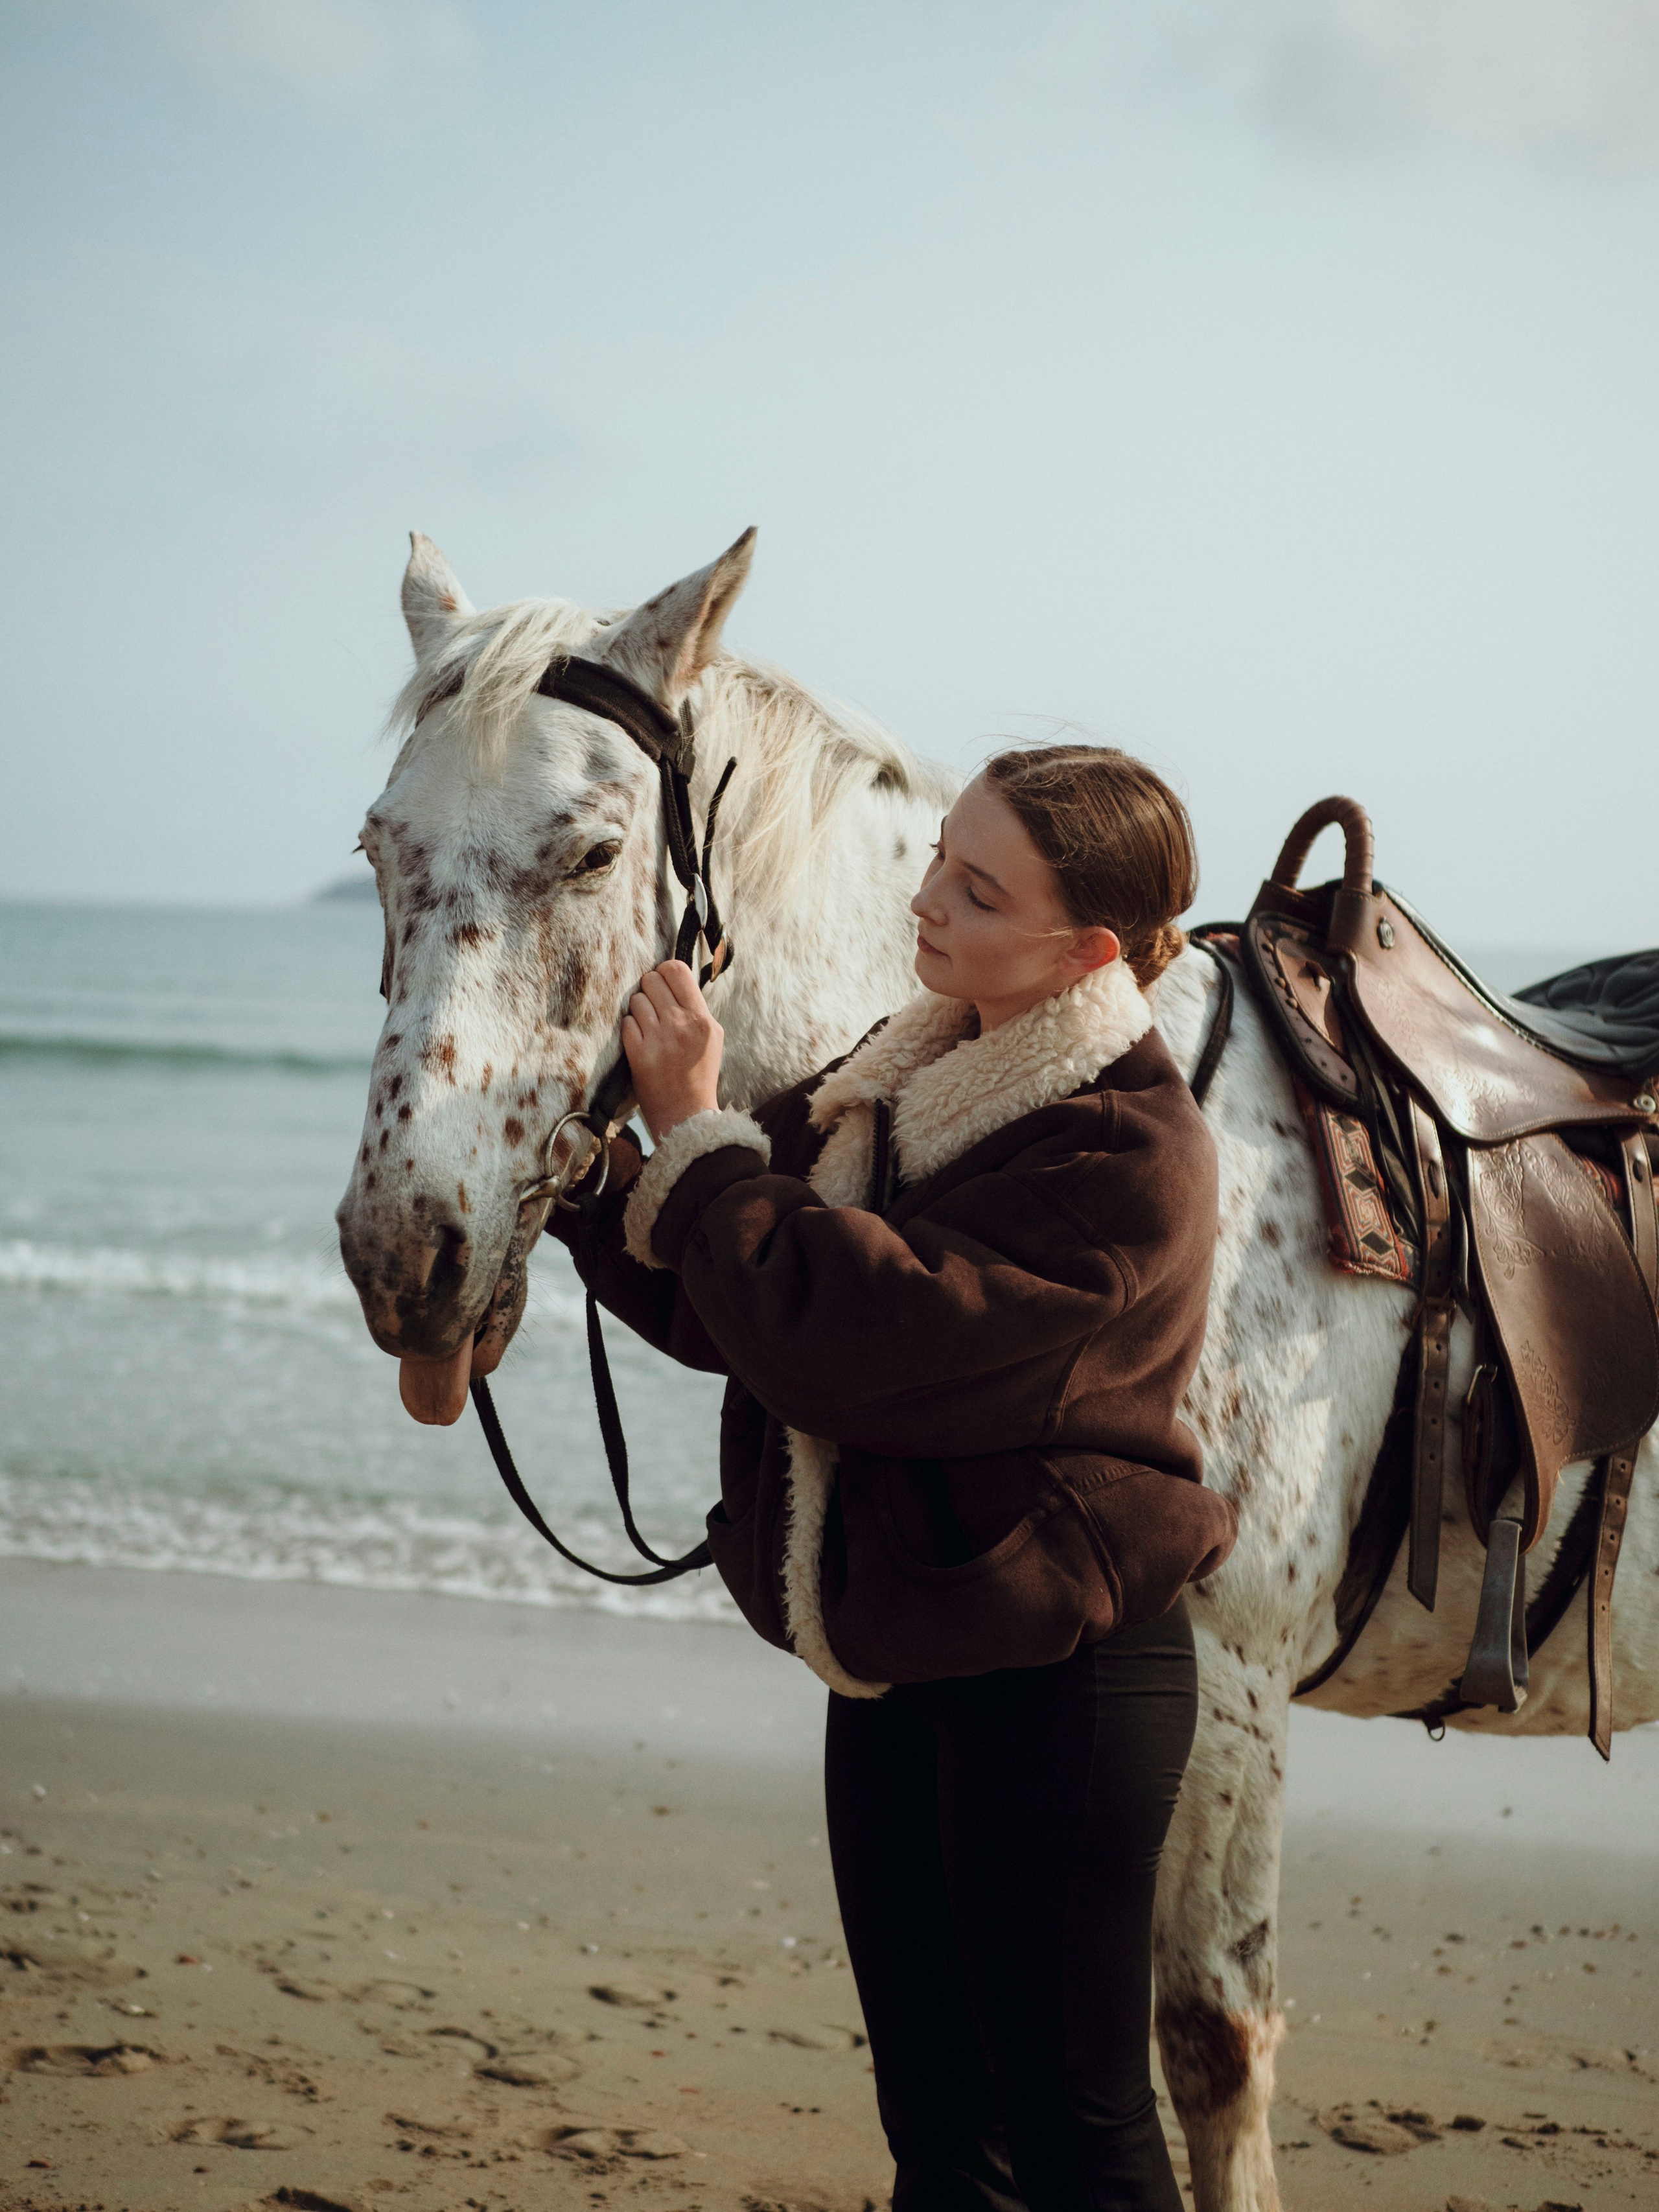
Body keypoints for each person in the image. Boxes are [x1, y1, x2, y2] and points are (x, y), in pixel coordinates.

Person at [551, 743, 1236, 2212]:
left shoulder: (1130, 1151)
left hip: (1060, 1679)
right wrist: (573, 1174)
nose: (926, 899)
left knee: (1077, 2137)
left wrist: (695, 1132)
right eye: (936, 857)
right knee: (937, 2131)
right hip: (905, 1647)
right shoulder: (905, 1069)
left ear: (1086, 950)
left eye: (977, 889)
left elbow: (851, 1338)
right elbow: (729, 1291)